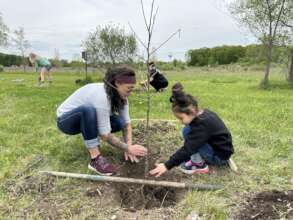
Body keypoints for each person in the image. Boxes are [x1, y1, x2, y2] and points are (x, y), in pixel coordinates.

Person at [56, 66, 148, 176]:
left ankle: (91, 138)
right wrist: (127, 147)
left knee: (120, 122)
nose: (131, 92)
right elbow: (105, 135)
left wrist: (129, 147)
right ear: (117, 83)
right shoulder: (102, 97)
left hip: (88, 118)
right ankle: (95, 160)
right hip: (66, 121)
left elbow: (127, 124)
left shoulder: (121, 97)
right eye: (129, 88)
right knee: (87, 110)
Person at [150, 83, 234, 177]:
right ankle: (198, 158)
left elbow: (188, 149)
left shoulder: (202, 125)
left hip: (219, 157)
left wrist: (167, 165)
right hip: (219, 148)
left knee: (190, 137)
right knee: (187, 130)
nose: (181, 122)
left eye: (181, 118)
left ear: (192, 111)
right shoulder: (204, 114)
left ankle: (199, 165)